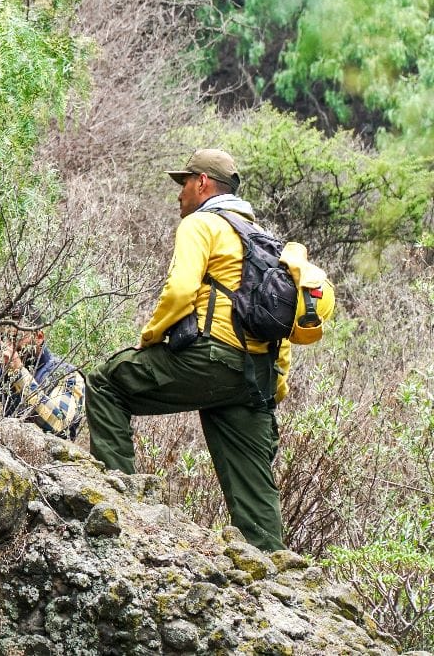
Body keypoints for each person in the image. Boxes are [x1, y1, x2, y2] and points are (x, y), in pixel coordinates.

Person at [85, 148, 290, 552]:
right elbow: (280, 315)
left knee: (107, 383)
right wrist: (277, 380)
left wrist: (150, 336)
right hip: (258, 377)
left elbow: (181, 290)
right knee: (254, 492)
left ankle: (118, 508)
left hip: (213, 359)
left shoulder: (203, 224)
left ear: (203, 183)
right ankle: (274, 573)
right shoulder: (265, 240)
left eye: (184, 184)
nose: (179, 195)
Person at [0, 309, 85, 439]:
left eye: (15, 337)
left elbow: (59, 424)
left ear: (39, 337)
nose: (7, 344)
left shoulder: (67, 375)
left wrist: (19, 373)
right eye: (2, 337)